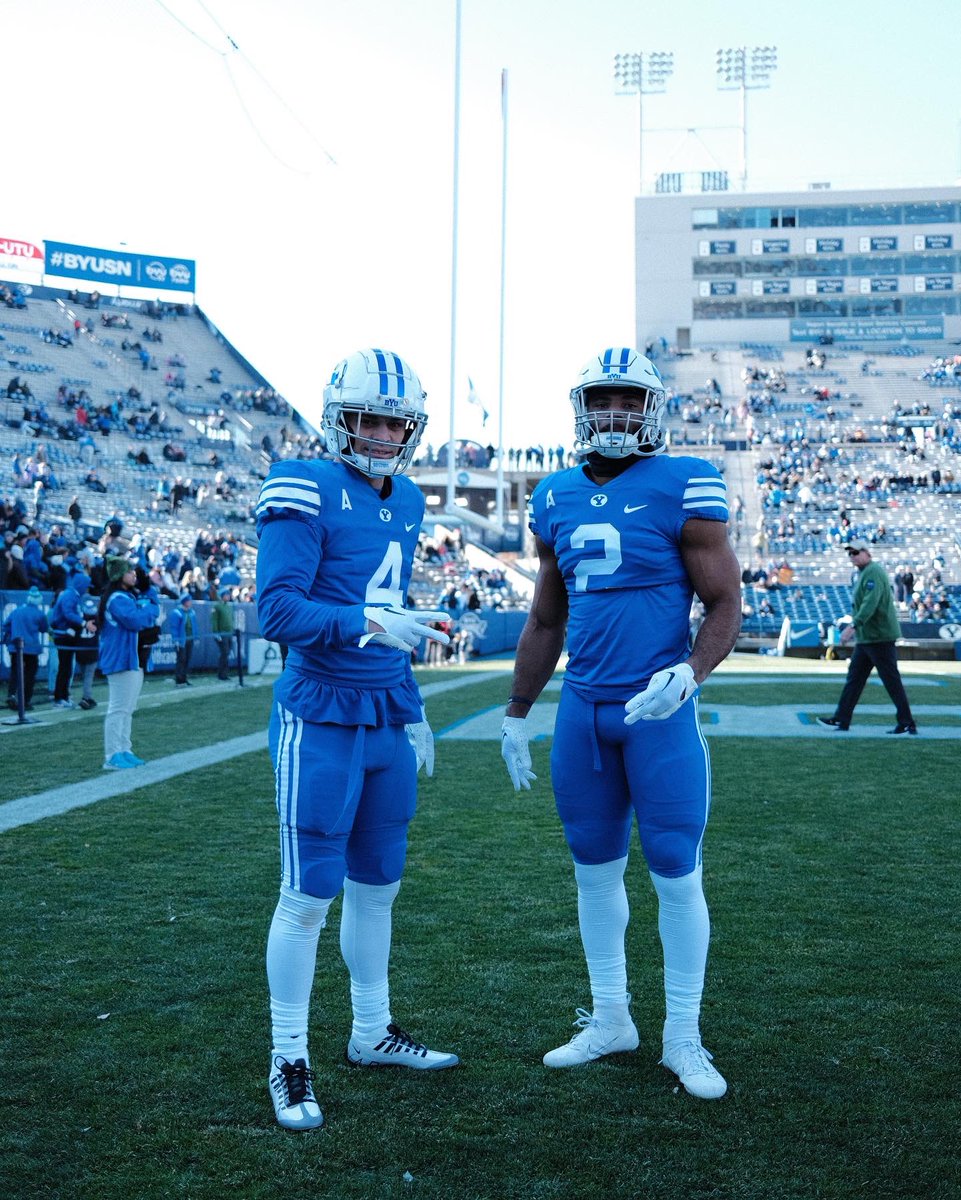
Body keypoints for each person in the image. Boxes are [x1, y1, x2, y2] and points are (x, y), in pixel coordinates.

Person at [500, 347, 741, 1101]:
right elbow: (546, 615)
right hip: (583, 710)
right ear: (581, 408)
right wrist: (516, 711)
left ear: (651, 409)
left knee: (674, 869)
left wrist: (689, 673)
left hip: (658, 711)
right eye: (600, 400)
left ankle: (682, 1036)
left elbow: (725, 603)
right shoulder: (554, 496)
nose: (612, 414)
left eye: (627, 401)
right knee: (593, 870)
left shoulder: (684, 483)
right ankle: (611, 1019)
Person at [255, 347, 454, 1131]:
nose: (380, 434)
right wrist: (372, 621)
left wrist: (411, 705)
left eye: (394, 422)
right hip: (320, 712)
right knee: (307, 896)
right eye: (368, 418)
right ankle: (287, 1055)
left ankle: (371, 1031)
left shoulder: (405, 498)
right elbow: (277, 612)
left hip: (383, 715)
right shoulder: (302, 483)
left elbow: (393, 617)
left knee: (380, 887)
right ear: (340, 417)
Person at [817, 541, 917, 735]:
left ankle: (907, 722)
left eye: (856, 552)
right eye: (850, 554)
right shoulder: (864, 573)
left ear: (867, 553)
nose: (853, 556)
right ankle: (841, 719)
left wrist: (853, 626)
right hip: (868, 637)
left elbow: (871, 603)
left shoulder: (873, 572)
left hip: (879, 636)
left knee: (890, 680)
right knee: (854, 679)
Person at [98, 556, 160, 769]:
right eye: (129, 572)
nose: (134, 575)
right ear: (118, 575)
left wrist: (148, 604)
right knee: (118, 708)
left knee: (127, 708)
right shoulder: (117, 599)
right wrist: (151, 606)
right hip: (120, 658)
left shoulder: (125, 597)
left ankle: (124, 749)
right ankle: (112, 754)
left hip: (131, 659)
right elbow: (136, 620)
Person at [4, 587, 48, 711]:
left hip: (16, 647)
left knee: (15, 672)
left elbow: (6, 625)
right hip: (31, 648)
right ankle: (25, 701)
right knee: (29, 675)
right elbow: (44, 628)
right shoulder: (39, 614)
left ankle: (12, 694)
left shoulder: (17, 611)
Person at [167, 592, 196, 686]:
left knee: (187, 659)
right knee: (181, 659)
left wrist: (196, 636)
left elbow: (194, 626)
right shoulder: (177, 613)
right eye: (189, 600)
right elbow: (174, 628)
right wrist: (176, 641)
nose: (191, 602)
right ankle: (179, 680)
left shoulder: (191, 612)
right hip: (181, 640)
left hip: (190, 639)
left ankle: (184, 678)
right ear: (184, 602)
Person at [211, 587, 235, 680]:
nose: (228, 596)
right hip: (222, 634)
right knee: (224, 653)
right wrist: (216, 633)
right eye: (226, 595)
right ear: (222, 596)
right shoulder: (217, 606)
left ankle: (225, 673)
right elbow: (214, 621)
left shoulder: (229, 606)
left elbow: (230, 620)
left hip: (229, 633)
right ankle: (221, 674)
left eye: (228, 595)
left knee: (227, 653)